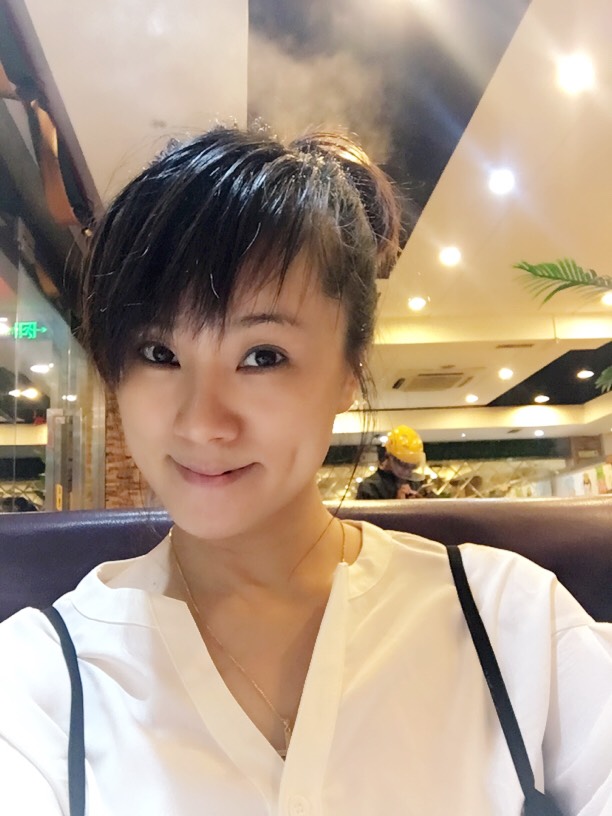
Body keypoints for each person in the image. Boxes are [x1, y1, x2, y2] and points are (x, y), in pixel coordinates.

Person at [0, 125, 610, 816]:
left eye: (262, 356)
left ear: (349, 369)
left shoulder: (508, 624)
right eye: (159, 354)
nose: (202, 423)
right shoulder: (47, 677)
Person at [356, 424, 428, 499]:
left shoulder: (417, 484)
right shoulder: (370, 488)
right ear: (389, 457)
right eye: (403, 465)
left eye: (413, 467)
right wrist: (397, 504)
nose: (408, 472)